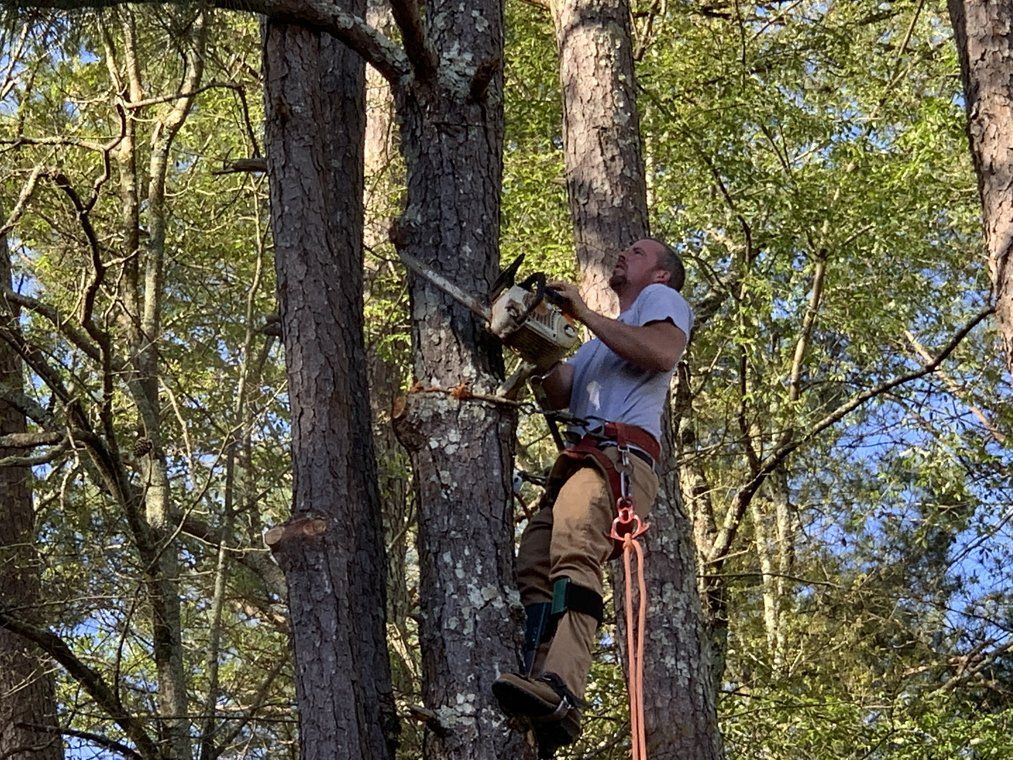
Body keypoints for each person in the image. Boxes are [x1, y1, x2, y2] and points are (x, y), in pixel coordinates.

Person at [492, 238, 693, 756]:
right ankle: (539, 680)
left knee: (575, 553)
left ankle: (563, 686)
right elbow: (561, 391)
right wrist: (536, 348)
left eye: (639, 252)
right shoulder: (598, 345)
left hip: (616, 457)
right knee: (536, 567)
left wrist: (581, 312)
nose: (624, 254)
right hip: (583, 461)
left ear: (661, 276)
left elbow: (661, 352)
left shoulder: (660, 304)